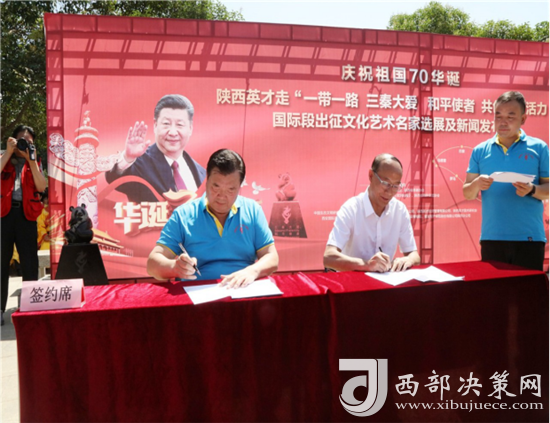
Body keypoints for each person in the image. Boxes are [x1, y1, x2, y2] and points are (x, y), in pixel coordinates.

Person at [147, 149, 279, 288]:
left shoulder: (252, 210)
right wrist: (175, 267)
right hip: (198, 293)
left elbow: (271, 256)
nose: (221, 196)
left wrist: (252, 271)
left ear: (240, 187)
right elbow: (152, 264)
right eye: (216, 186)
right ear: (207, 180)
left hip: (242, 292)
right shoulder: (183, 215)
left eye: (231, 189)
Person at [463, 91, 549, 270]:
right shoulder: (480, 151)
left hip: (529, 238)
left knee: (527, 289)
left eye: (510, 116)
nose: (503, 122)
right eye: (498, 116)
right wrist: (477, 184)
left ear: (523, 119)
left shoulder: (539, 148)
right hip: (492, 238)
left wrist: (532, 189)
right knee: (496, 288)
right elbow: (467, 193)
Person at [323, 153, 420, 273]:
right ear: (371, 176)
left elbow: (414, 255)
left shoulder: (399, 210)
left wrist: (408, 260)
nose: (389, 192)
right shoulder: (351, 209)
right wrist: (367, 265)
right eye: (385, 183)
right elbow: (329, 257)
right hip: (352, 282)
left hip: (385, 282)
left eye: (395, 186)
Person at [105, 94, 206, 203]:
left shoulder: (202, 172)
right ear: (155, 125)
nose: (173, 132)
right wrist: (127, 158)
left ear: (190, 128)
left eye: (179, 125)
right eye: (166, 124)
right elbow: (116, 179)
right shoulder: (139, 163)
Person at [1, 125, 47, 325]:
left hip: (27, 216)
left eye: (28, 142)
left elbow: (41, 186)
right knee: (1, 262)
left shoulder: (34, 161)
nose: (24, 145)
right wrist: (8, 152)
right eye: (21, 140)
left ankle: (31, 305)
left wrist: (32, 161)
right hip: (3, 215)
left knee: (29, 262)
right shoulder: (3, 157)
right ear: (12, 140)